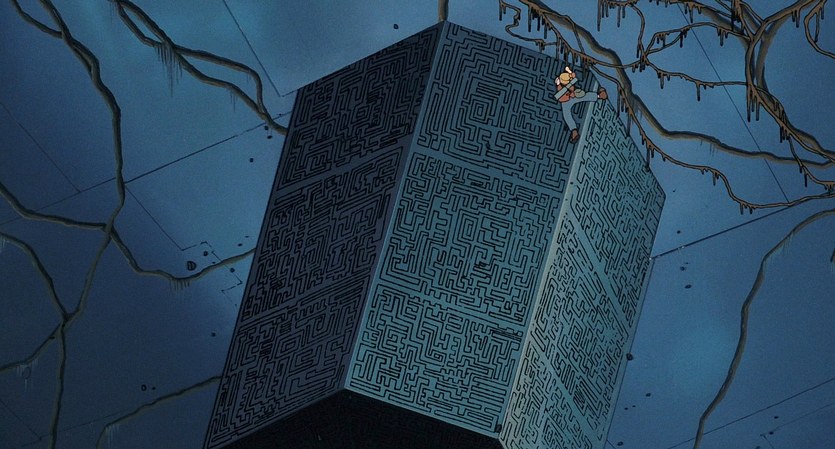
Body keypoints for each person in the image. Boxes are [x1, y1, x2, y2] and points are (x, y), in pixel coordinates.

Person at [554, 66, 607, 143]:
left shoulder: (567, 85)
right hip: (567, 100)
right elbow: (572, 77)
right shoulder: (564, 86)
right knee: (567, 115)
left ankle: (600, 96)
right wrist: (560, 81)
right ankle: (574, 131)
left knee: (582, 98)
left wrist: (566, 75)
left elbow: (572, 77)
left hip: (570, 98)